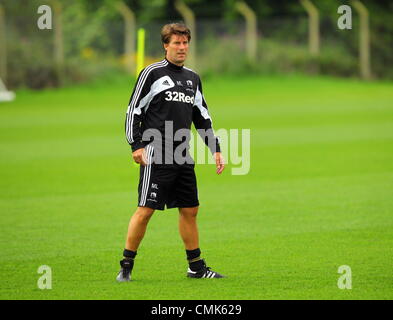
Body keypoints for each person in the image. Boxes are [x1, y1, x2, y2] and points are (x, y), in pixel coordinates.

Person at [117, 22, 225, 282]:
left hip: (182, 154)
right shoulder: (151, 74)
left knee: (190, 209)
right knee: (146, 209)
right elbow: (134, 110)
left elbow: (202, 117)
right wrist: (136, 144)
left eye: (185, 42)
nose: (182, 47)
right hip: (156, 152)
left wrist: (216, 150)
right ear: (166, 45)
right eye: (176, 43)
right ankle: (126, 266)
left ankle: (196, 268)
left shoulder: (192, 78)